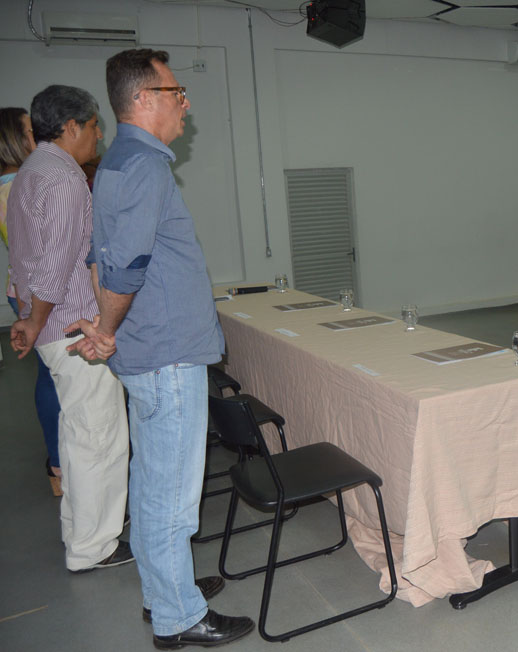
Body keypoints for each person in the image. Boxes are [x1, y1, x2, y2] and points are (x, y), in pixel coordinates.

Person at [72, 49, 254, 647]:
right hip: (167, 356)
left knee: (153, 485)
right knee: (171, 496)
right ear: (143, 99)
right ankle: (179, 617)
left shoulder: (118, 162)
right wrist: (107, 327)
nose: (185, 103)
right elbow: (124, 265)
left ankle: (165, 593)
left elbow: (101, 258)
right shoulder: (144, 165)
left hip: (150, 350)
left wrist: (108, 326)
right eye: (177, 92)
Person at [6, 86, 132, 571]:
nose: (100, 134)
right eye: (95, 125)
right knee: (99, 441)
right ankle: (94, 547)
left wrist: (28, 319)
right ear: (71, 126)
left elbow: (26, 257)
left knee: (80, 438)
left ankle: (80, 534)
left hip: (52, 327)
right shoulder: (64, 179)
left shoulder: (29, 172)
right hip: (73, 331)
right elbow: (56, 264)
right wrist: (35, 321)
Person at [0, 107, 63, 496]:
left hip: (22, 290)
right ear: (12, 139)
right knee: (55, 379)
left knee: (49, 375)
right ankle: (59, 464)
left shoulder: (11, 184)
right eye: (27, 130)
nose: (35, 135)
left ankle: (57, 461)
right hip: (38, 293)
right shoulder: (19, 187)